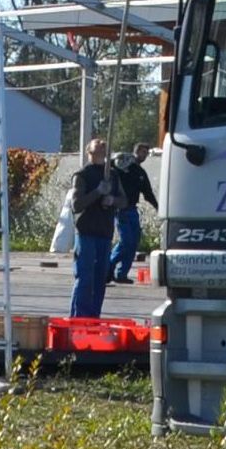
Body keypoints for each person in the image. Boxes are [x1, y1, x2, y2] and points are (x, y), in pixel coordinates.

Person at [65, 136, 121, 321]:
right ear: (89, 153)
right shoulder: (82, 175)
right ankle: (78, 318)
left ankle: (93, 318)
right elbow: (77, 205)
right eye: (97, 151)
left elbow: (125, 200)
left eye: (103, 151)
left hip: (105, 232)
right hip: (86, 232)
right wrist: (97, 192)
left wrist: (112, 200)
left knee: (100, 280)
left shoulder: (113, 175)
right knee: (85, 278)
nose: (100, 154)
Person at [108, 145, 159, 284]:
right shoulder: (121, 167)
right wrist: (116, 159)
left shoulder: (140, 172)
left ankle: (122, 274)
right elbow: (109, 168)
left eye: (146, 153)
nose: (145, 155)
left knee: (134, 242)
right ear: (135, 152)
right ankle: (108, 267)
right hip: (121, 209)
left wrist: (158, 207)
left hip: (132, 209)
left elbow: (148, 193)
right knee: (126, 241)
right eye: (142, 152)